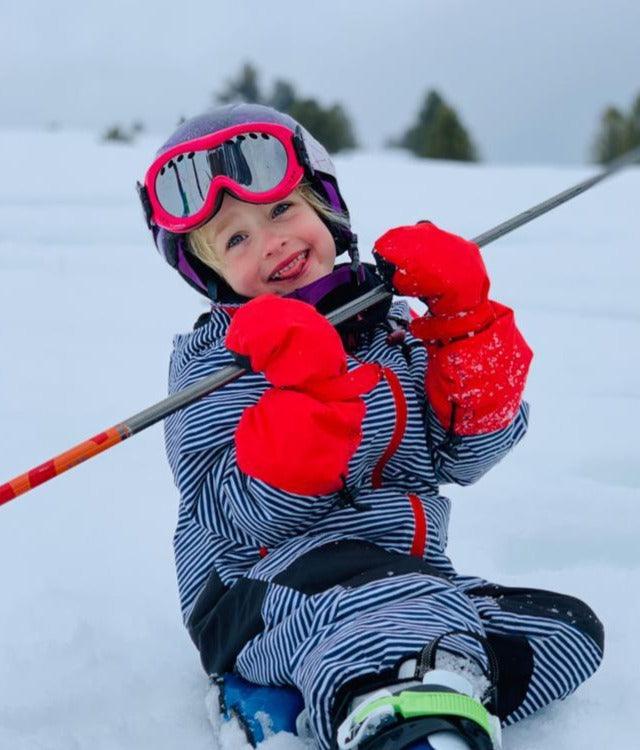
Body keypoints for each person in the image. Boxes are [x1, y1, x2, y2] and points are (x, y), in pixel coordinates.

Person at [138, 103, 604, 750]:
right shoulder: (217, 362)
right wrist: (307, 394)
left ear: (327, 209)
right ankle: (409, 724)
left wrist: (463, 328)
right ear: (209, 274)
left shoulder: (392, 330)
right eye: (236, 239)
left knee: (566, 633)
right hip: (258, 591)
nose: (271, 241)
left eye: (282, 210)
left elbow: (466, 458)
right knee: (389, 609)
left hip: (403, 575)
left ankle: (379, 679)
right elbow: (239, 516)